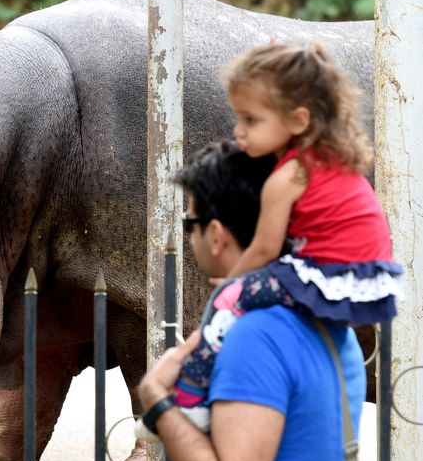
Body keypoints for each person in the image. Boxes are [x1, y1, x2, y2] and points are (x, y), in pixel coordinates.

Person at [169, 41, 402, 424]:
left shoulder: (287, 177)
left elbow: (263, 249)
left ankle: (191, 396)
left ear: (297, 121)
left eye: (251, 120)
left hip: (325, 273)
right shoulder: (332, 159)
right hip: (363, 275)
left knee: (226, 302)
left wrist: (231, 281)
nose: (238, 131)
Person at [138, 140, 366, 461]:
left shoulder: (256, 336)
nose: (189, 238)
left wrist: (157, 401)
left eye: (188, 225)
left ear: (215, 233)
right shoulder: (329, 326)